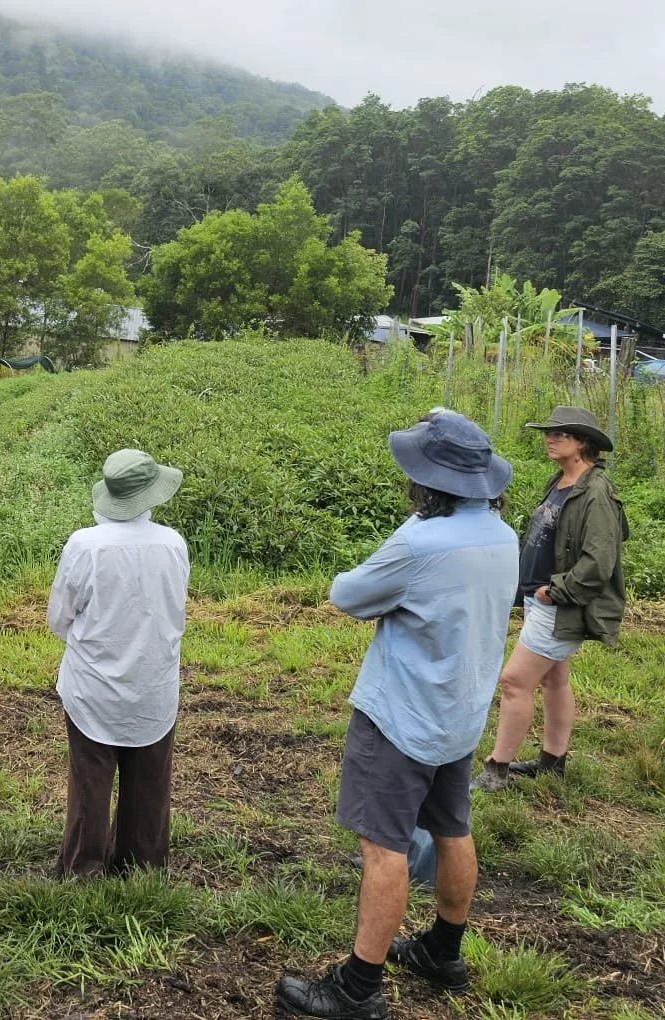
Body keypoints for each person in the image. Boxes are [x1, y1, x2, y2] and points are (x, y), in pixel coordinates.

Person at [277, 410, 517, 1020]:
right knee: (452, 828)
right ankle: (443, 949)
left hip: (401, 717)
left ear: (429, 481)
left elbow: (347, 595)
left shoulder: (419, 542)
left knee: (383, 848)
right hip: (460, 716)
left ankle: (357, 987)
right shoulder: (501, 534)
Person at [47, 448, 190, 878]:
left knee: (90, 781)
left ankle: (83, 869)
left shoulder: (84, 546)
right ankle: (142, 865)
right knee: (150, 782)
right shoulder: (173, 543)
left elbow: (59, 618)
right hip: (154, 683)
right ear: (151, 497)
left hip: (93, 687)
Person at [475, 406, 627, 790]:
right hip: (539, 598)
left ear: (583, 444)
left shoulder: (596, 493)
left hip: (558, 603)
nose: (550, 438)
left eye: (561, 434)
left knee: (513, 682)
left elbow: (600, 560)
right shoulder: (560, 481)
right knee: (554, 679)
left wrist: (555, 590)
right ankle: (552, 761)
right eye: (549, 433)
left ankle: (497, 769)